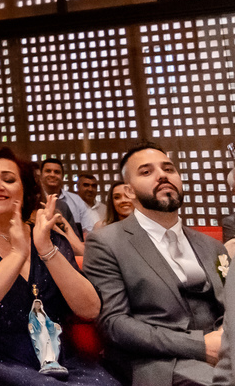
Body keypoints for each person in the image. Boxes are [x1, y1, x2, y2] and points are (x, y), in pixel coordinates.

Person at [0, 146, 116, 386]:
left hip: (63, 362)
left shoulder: (47, 239)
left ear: (24, 189)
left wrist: (45, 247)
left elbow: (89, 309)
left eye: (8, 179)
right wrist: (17, 254)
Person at [84, 142, 226, 386]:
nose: (162, 175)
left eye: (168, 169)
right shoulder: (107, 243)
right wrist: (200, 346)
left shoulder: (211, 246)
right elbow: (114, 323)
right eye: (146, 172)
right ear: (128, 191)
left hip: (226, 351)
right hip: (162, 362)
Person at [40, 158, 92, 236]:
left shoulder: (76, 200)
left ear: (63, 176)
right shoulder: (33, 200)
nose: (52, 175)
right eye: (48, 171)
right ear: (41, 175)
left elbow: (87, 230)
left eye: (57, 172)